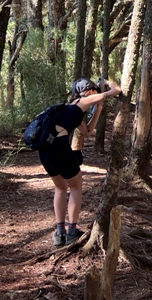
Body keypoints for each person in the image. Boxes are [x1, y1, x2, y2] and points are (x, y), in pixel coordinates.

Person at [39, 77, 122, 246]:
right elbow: (117, 91)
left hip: (45, 149)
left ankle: (59, 232)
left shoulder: (72, 108)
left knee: (61, 187)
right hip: (59, 148)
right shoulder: (85, 100)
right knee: (76, 186)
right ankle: (72, 231)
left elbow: (88, 131)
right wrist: (107, 82)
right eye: (95, 92)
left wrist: (98, 109)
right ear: (90, 91)